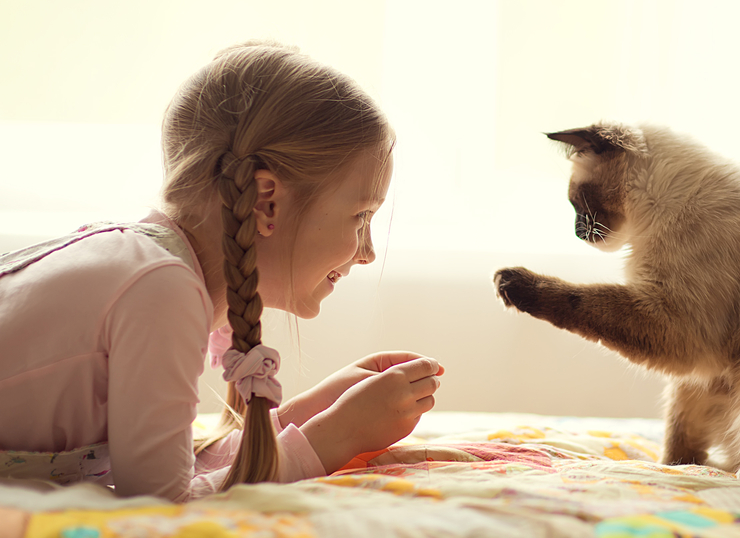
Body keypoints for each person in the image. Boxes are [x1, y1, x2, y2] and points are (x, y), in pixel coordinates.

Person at [0, 41, 444, 502]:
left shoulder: (152, 267)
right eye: (361, 217)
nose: (367, 252)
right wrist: (334, 438)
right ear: (266, 201)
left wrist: (303, 414)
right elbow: (161, 503)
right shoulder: (159, 290)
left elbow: (168, 467)